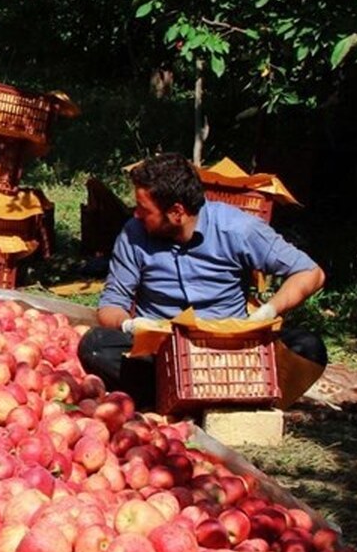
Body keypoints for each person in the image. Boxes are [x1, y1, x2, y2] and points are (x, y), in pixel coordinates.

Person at [78, 152, 327, 410]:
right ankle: (200, 399)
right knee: (95, 345)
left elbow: (310, 273)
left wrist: (267, 311)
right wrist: (130, 324)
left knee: (308, 348)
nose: (137, 214)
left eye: (144, 209)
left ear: (176, 212)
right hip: (162, 356)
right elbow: (110, 305)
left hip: (232, 356)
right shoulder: (133, 234)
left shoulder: (236, 228)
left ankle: (219, 397)